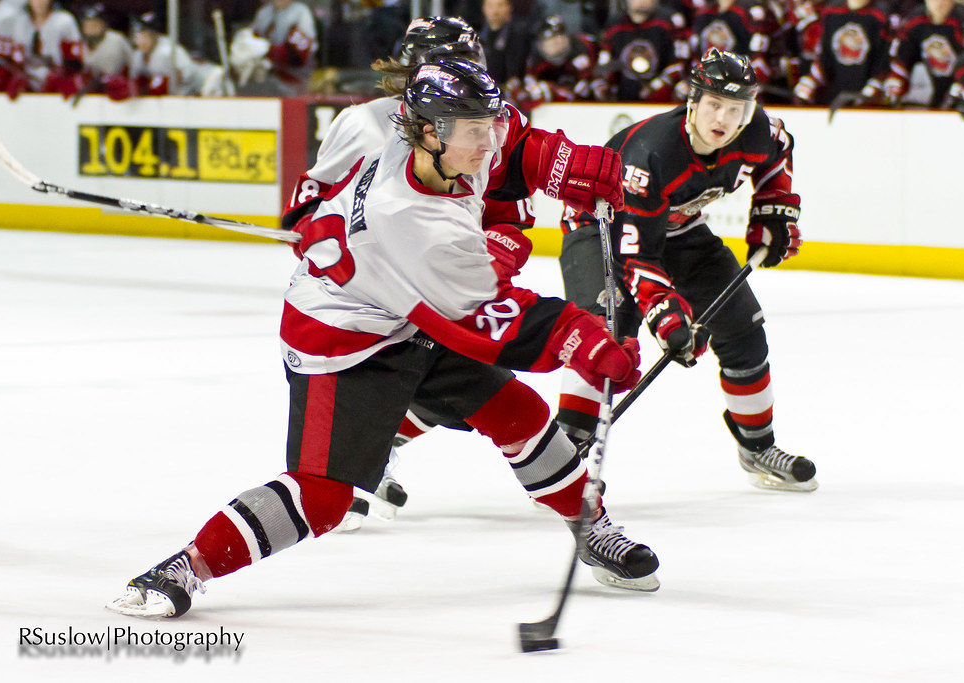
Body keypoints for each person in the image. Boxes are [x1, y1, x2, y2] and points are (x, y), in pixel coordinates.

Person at [105, 59, 658, 620]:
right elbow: (492, 319)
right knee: (323, 496)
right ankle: (184, 566)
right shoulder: (410, 219)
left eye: (488, 125)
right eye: (474, 131)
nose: (488, 142)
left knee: (517, 411)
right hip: (344, 338)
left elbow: (515, 142)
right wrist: (585, 343)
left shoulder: (435, 139)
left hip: (402, 310)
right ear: (425, 133)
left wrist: (561, 165)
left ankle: (592, 526)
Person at [283, 16, 628, 530]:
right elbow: (312, 202)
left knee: (502, 406)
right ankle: (363, 456)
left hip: (453, 274)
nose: (460, 77)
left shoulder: (477, 120)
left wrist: (568, 170)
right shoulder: (369, 127)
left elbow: (518, 171)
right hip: (392, 295)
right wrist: (316, 227)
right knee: (455, 391)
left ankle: (589, 525)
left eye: (468, 65)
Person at [557, 48, 818, 493]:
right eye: (714, 104)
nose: (723, 118)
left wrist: (774, 212)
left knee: (742, 326)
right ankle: (565, 464)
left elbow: (779, 151)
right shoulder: (651, 154)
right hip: (602, 227)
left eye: (735, 108)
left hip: (679, 227)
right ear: (693, 101)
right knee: (605, 338)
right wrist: (668, 319)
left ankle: (756, 448)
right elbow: (637, 256)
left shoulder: (755, 132)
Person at [792, 0, 893, 106]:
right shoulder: (831, 13)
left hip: (867, 103)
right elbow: (824, 58)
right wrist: (809, 83)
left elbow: (884, 62)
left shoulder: (880, 16)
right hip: (833, 98)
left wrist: (872, 90)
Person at [593, 0, 690, 102]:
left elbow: (681, 61)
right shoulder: (614, 24)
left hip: (661, 98)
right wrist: (604, 86)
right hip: (622, 96)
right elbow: (604, 61)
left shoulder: (669, 22)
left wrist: (656, 86)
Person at [885, 0, 964, 107]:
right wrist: (896, 83)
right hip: (936, 94)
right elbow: (903, 55)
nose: (939, 3)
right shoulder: (916, 20)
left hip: (963, 94)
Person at [510, 14, 596, 108]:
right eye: (549, 40)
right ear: (540, 44)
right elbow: (526, 96)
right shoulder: (535, 63)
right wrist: (552, 91)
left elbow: (601, 80)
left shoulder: (584, 48)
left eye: (559, 36)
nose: (555, 43)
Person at [129, 11, 224, 96]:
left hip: (208, 80)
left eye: (145, 36)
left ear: (155, 35)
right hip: (188, 93)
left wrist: (176, 76)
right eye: (138, 37)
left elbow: (189, 73)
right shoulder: (138, 56)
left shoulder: (168, 50)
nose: (140, 41)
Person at [0, 0, 82, 95]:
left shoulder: (63, 21)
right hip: (27, 81)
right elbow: (14, 57)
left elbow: (75, 60)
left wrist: (62, 76)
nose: (39, 3)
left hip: (56, 81)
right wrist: (18, 75)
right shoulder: (20, 22)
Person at [250, 0, 318, 95]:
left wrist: (273, 52)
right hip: (267, 75)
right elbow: (252, 40)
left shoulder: (301, 11)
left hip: (295, 77)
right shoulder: (264, 13)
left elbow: (303, 50)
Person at [480, 0, 532, 91]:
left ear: (509, 8)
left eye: (500, 5)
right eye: (490, 6)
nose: (495, 11)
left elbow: (515, 76)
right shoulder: (477, 36)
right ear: (483, 8)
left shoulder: (520, 35)